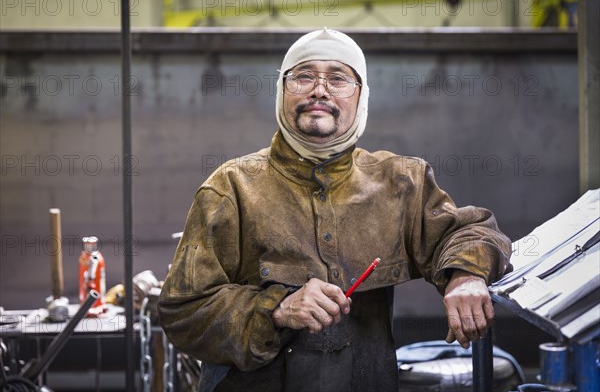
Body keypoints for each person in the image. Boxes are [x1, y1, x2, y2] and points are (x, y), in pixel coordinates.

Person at [158, 28, 512, 392]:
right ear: (282, 90)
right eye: (304, 75)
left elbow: (473, 230)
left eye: (338, 78)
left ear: (361, 97)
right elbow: (183, 311)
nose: (319, 89)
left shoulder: (401, 182)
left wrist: (465, 275)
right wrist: (277, 309)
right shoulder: (232, 188)